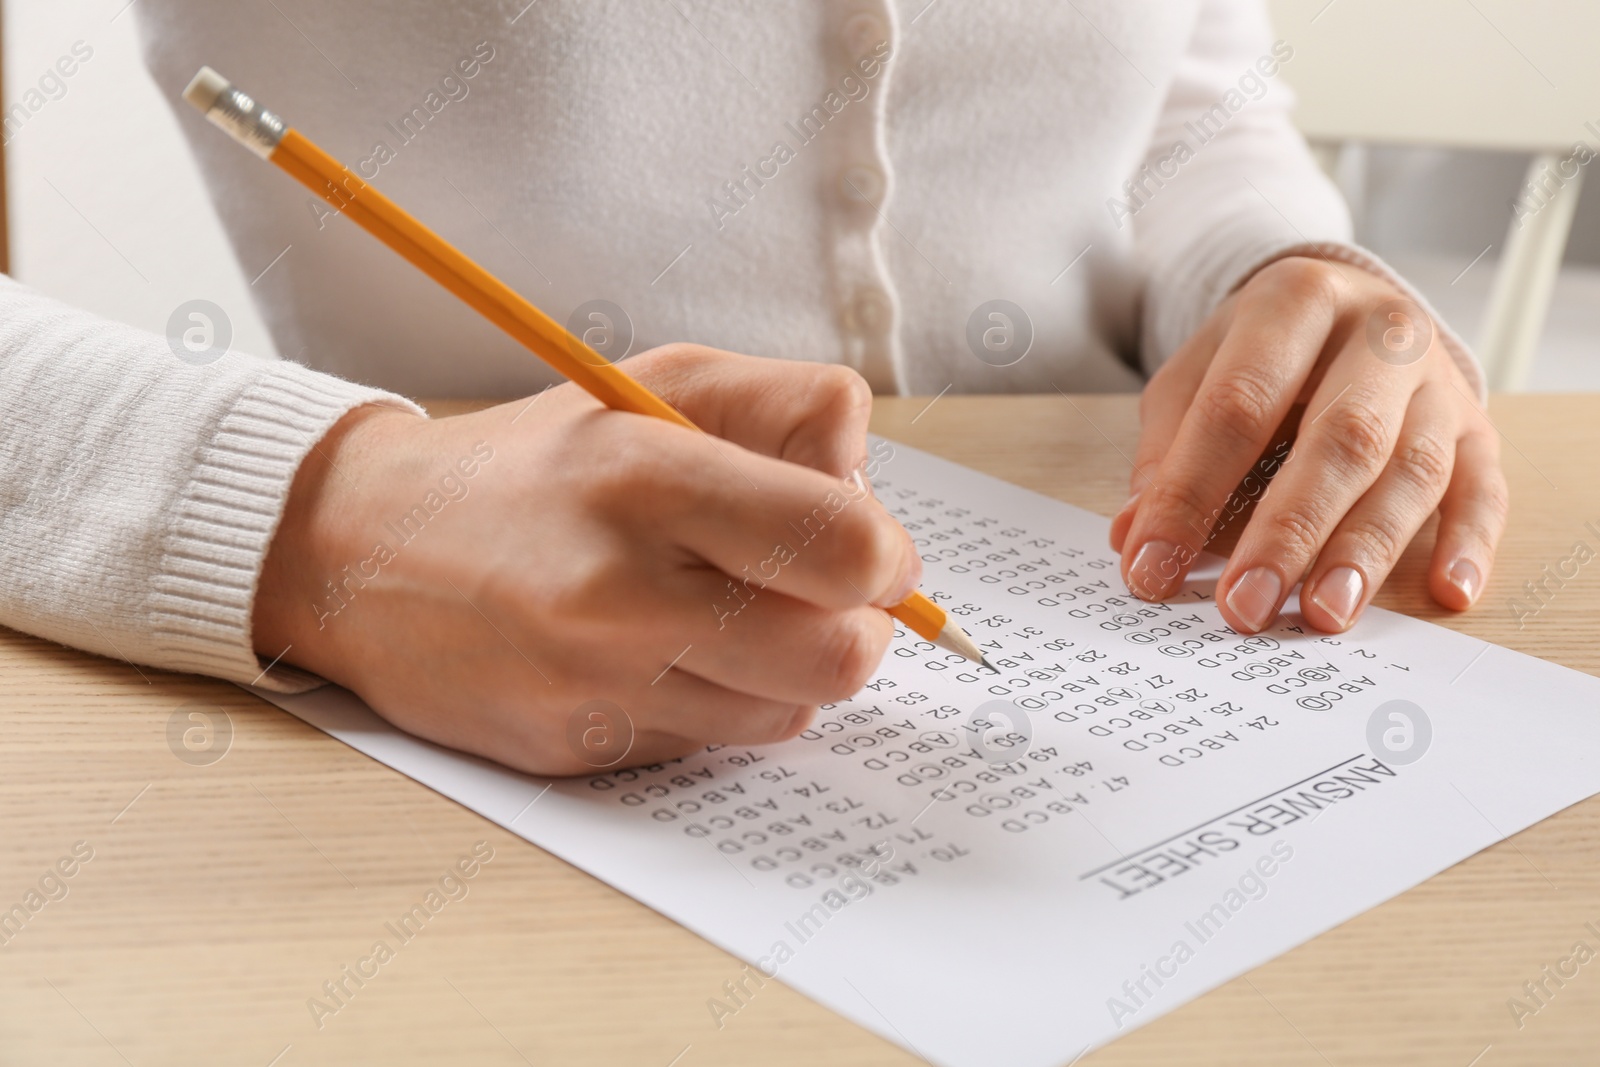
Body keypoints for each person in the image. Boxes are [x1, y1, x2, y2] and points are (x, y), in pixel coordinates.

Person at [0, 0, 1504, 775]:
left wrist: (1281, 266)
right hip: (422, 760)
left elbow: (1189, 78)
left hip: (1124, 556)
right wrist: (325, 516)